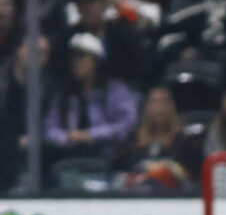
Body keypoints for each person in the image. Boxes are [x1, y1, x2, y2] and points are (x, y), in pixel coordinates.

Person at [43, 33, 138, 178]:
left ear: (96, 61)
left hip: (109, 159)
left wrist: (91, 135)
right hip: (70, 159)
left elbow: (127, 123)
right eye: (73, 57)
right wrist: (67, 137)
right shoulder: (65, 94)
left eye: (81, 56)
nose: (76, 62)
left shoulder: (114, 90)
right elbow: (50, 128)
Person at [114, 83, 196, 193]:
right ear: (146, 106)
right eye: (154, 102)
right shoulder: (133, 141)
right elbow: (117, 170)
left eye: (164, 102)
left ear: (172, 106)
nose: (159, 108)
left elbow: (193, 178)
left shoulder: (184, 141)